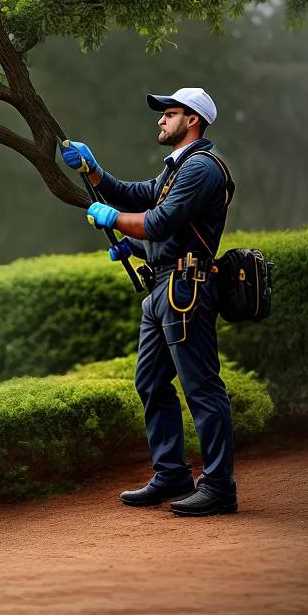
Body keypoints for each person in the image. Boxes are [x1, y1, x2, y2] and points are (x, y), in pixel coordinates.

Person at [62, 87, 237, 516]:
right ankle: (172, 474)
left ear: (191, 120)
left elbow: (158, 222)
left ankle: (218, 486)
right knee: (151, 382)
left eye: (169, 113)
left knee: (201, 388)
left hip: (185, 290)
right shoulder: (175, 169)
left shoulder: (201, 168)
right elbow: (139, 196)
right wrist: (95, 172)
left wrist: (113, 220)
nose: (160, 120)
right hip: (162, 289)